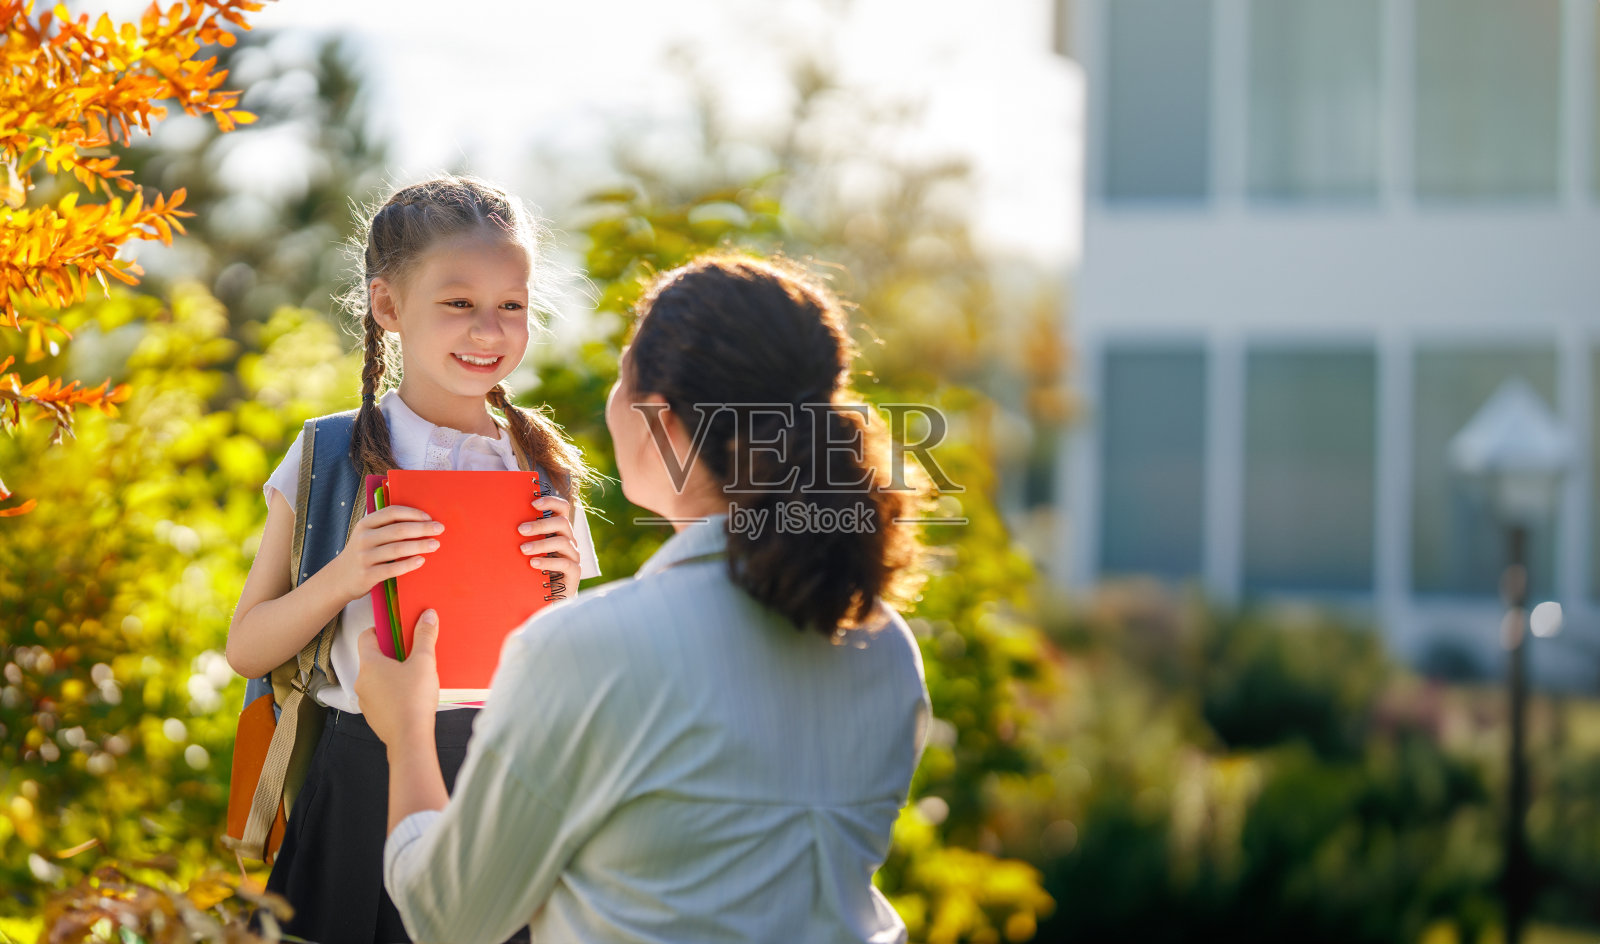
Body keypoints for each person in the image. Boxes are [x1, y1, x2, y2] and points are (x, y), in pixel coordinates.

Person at [356, 253, 933, 943]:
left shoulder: (589, 649)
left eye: (623, 372)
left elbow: (449, 919)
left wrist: (407, 734)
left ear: (658, 418)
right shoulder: (883, 642)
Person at [225, 175, 602, 944]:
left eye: (513, 306)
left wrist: (565, 591)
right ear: (388, 307)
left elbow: (579, 668)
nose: (489, 331)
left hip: (509, 779)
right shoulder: (327, 453)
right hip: (357, 778)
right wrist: (345, 574)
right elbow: (247, 648)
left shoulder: (544, 465)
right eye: (459, 303)